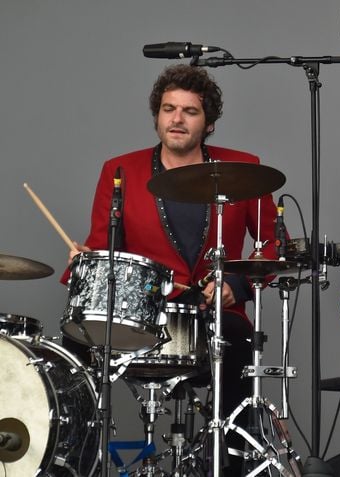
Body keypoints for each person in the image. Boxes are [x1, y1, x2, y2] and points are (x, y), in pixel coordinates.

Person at [61, 64, 280, 476]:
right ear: (157, 115)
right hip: (144, 316)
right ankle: (74, 460)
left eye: (189, 111)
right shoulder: (120, 171)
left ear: (209, 123)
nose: (176, 119)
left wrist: (236, 284)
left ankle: (228, 464)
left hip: (216, 316)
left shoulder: (243, 169)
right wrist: (85, 262)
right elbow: (105, 245)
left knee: (239, 344)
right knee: (73, 348)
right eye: (167, 109)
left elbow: (272, 245)